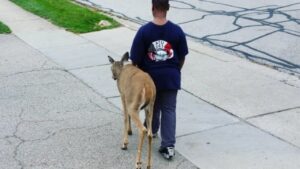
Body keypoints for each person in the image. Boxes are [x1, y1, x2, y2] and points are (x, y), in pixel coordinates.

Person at [130, 0, 188, 160]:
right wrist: (175, 70)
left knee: (152, 106)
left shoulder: (144, 31)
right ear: (168, 8)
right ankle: (168, 146)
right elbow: (182, 57)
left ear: (152, 8)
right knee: (169, 109)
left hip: (150, 79)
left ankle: (151, 130)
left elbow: (134, 59)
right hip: (171, 77)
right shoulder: (177, 31)